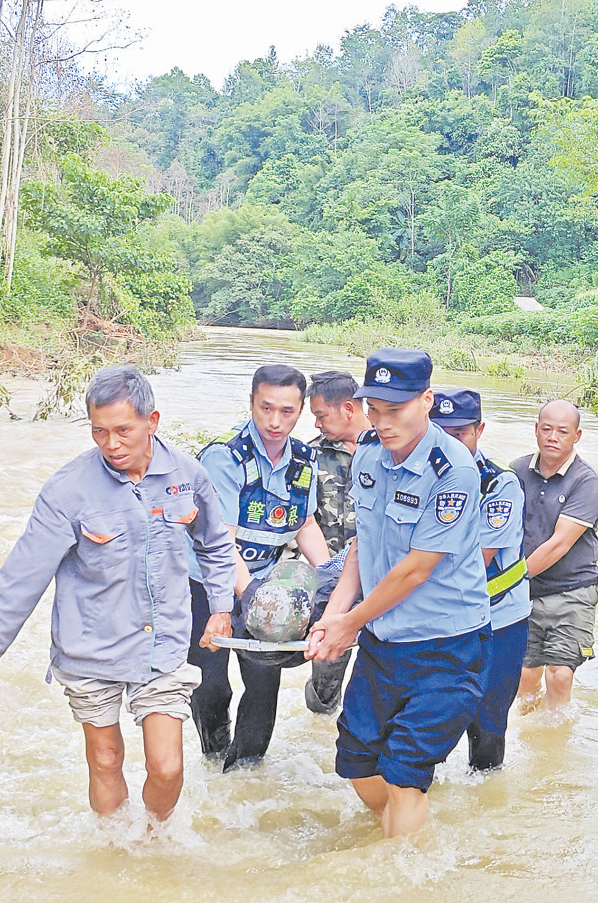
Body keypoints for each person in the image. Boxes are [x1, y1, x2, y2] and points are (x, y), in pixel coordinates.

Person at [0, 365, 237, 822]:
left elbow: (215, 544)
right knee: (104, 759)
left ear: (152, 421)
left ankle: (154, 840)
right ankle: (116, 848)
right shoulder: (68, 490)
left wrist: (221, 608)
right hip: (89, 646)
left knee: (167, 766)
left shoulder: (188, 476)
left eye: (123, 430)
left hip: (160, 644)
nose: (111, 444)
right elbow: (22, 579)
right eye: (99, 431)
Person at [306, 347, 489, 838]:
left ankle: (399, 874)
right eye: (375, 410)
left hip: (444, 646)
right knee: (358, 764)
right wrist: (335, 616)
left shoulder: (454, 472)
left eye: (396, 409)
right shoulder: (367, 453)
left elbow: (415, 570)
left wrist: (351, 623)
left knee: (404, 774)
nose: (383, 422)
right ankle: (410, 837)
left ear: (427, 401)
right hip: (384, 643)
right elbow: (364, 543)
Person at [188, 363, 330, 771]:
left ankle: (246, 770)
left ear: (301, 409)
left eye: (287, 411)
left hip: (267, 580)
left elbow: (304, 523)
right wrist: (250, 595)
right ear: (251, 402)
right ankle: (214, 759)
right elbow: (219, 541)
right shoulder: (225, 457)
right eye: (266, 408)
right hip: (207, 583)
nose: (275, 421)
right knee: (210, 684)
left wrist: (331, 577)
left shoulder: (305, 459)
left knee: (264, 683)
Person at [430, 387, 529, 771]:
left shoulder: (499, 484)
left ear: (479, 431)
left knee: (487, 723)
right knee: (430, 714)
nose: (451, 442)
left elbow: (475, 560)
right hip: (439, 613)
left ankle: (486, 802)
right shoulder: (421, 473)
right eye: (442, 432)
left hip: (497, 618)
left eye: (461, 434)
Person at [511, 398, 598, 713]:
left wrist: (508, 580)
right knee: (524, 674)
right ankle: (528, 738)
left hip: (571, 589)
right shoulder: (516, 472)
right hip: (526, 591)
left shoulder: (587, 482)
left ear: (576, 437)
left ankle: (556, 739)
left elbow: (559, 544)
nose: (553, 437)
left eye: (562, 431)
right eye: (546, 429)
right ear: (536, 430)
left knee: (559, 674)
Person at [303, 370, 371, 714]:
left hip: (381, 581)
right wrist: (327, 572)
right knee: (327, 666)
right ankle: (321, 725)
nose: (316, 425)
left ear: (348, 408)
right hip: (331, 582)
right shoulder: (310, 456)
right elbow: (304, 518)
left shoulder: (390, 451)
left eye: (320, 416)